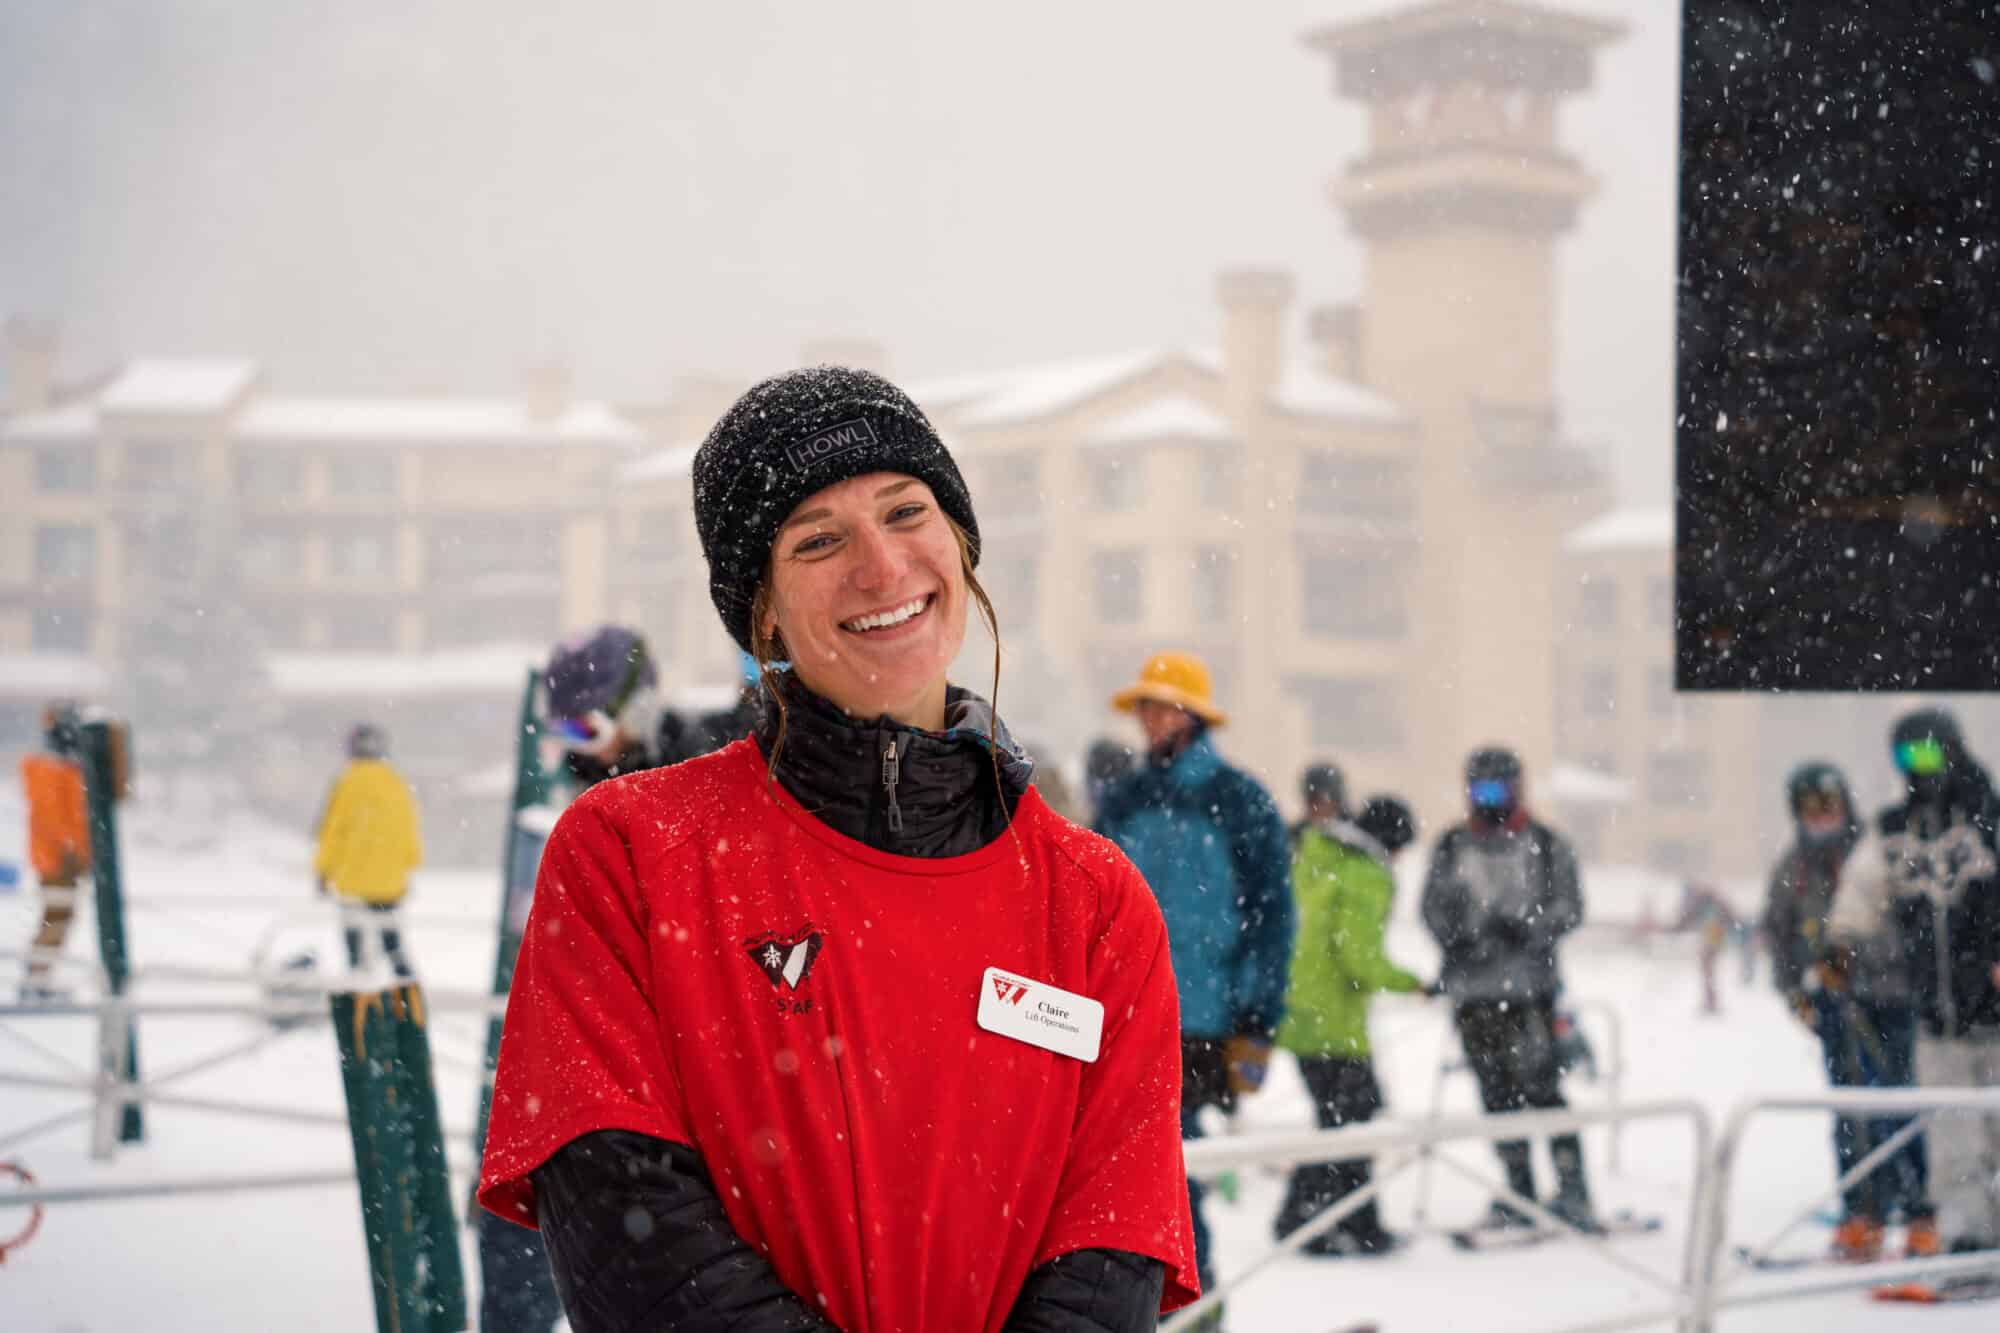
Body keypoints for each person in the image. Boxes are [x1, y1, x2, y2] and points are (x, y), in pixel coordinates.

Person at [480, 366, 1197, 1330]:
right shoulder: (628, 855)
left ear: (962, 547)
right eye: (818, 538)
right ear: (762, 609)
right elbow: (627, 1231)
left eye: (907, 511)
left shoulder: (1096, 903)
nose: (882, 565)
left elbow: (1110, 1254)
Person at [1093, 650, 1293, 1302]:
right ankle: (1174, 1296)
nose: (1151, 719)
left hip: (1204, 1018)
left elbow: (1273, 919)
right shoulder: (1122, 798)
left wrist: (1258, 1021)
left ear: (1194, 714)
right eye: (1144, 706)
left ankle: (1189, 1296)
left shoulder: (1241, 800)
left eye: (1162, 705)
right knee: (1138, 1165)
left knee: (1170, 1161)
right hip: (1122, 1013)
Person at [1829, 708, 2000, 1255]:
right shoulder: (1893, 831)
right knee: (1953, 1142)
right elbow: (1860, 892)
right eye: (1908, 758)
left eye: (1929, 754)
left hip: (1994, 1011)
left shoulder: (1989, 819)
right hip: (1936, 1018)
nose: (1921, 769)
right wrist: (1839, 944)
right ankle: (1967, 1239)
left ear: (1952, 750)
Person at [1420, 746, 1597, 1233]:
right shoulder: (1452, 845)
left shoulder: (1545, 844)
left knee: (1543, 1089)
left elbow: (1571, 906)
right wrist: (1462, 936)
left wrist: (1528, 926)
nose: (1489, 801)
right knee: (1495, 1096)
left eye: (1498, 789)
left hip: (1530, 992)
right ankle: (1517, 1187)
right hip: (1474, 996)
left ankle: (1573, 1190)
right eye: (1481, 790)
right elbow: (1431, 909)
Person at [1763, 761, 1932, 1262]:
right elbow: (1780, 936)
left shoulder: (1874, 848)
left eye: (1828, 805)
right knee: (1849, 1113)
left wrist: (1861, 962)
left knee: (1900, 1104)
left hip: (1892, 1001)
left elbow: (1902, 923)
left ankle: (1920, 1208)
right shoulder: (1793, 868)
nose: (1821, 817)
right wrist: (1797, 994)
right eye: (1810, 808)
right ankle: (1862, 1212)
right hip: (1834, 1007)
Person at [1274, 794, 1424, 1256]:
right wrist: (1414, 984)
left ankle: (1322, 1219)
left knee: (1338, 1121)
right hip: (1334, 1022)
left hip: (1299, 1012)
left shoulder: (1318, 857)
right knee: (1353, 1126)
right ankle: (1333, 1222)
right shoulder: (1365, 873)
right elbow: (1359, 959)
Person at [313, 723, 422, 979]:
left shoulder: (346, 782)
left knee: (354, 947)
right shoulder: (396, 782)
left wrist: (323, 870)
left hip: (351, 879)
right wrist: (407, 865)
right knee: (392, 943)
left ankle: (358, 999)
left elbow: (332, 830)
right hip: (389, 881)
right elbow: (409, 829)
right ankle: (407, 999)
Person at [19, 702, 90, 1002]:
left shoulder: (56, 769)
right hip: (58, 859)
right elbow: (59, 819)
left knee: (58, 915)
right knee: (57, 915)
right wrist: (73, 851)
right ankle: (36, 976)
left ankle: (38, 974)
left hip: (59, 857)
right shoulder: (55, 770)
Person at [1290, 761, 1349, 850]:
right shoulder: (1294, 836)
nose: (1313, 806)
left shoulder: (1352, 841)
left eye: (1318, 800)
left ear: (1335, 801)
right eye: (1309, 799)